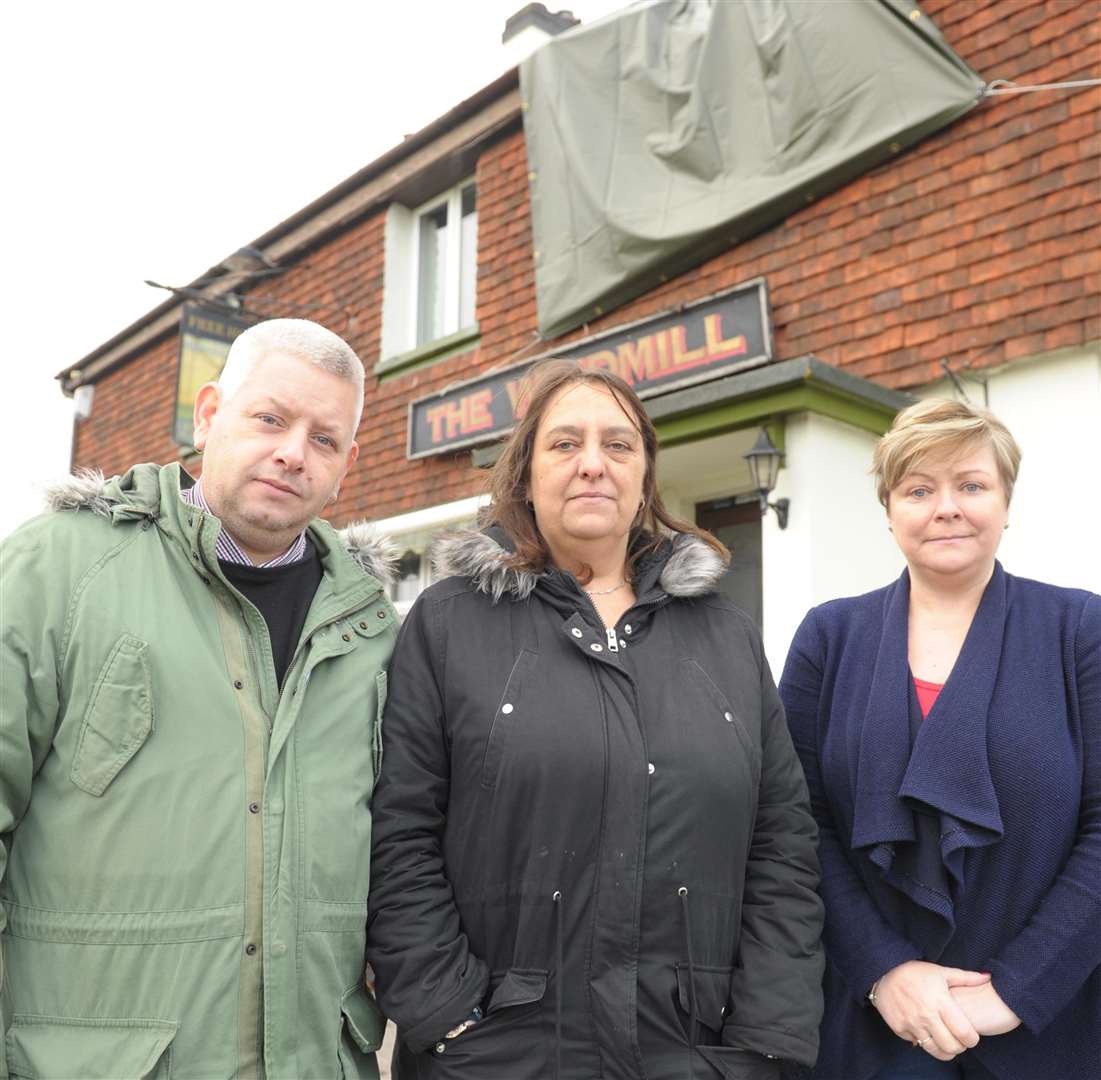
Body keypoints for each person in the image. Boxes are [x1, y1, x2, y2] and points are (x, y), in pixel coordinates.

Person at [366, 359, 824, 1080]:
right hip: (499, 1054)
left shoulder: (723, 634)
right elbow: (399, 832)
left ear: (644, 474)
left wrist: (766, 1038)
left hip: (695, 1052)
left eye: (617, 445)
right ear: (524, 472)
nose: (592, 465)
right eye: (564, 444)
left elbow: (781, 842)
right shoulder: (451, 622)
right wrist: (447, 1018)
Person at [0, 318, 398, 1078]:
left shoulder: (371, 626)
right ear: (209, 414)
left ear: (346, 465)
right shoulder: (57, 570)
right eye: (271, 419)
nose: (292, 452)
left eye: (324, 439)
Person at [779, 399, 1101, 1080]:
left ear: (1005, 501)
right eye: (918, 489)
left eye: (971, 485)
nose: (945, 507)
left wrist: (1016, 987)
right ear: (888, 509)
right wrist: (882, 968)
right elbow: (796, 827)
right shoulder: (827, 640)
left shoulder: (1079, 630)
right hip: (874, 1029)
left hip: (1049, 1025)